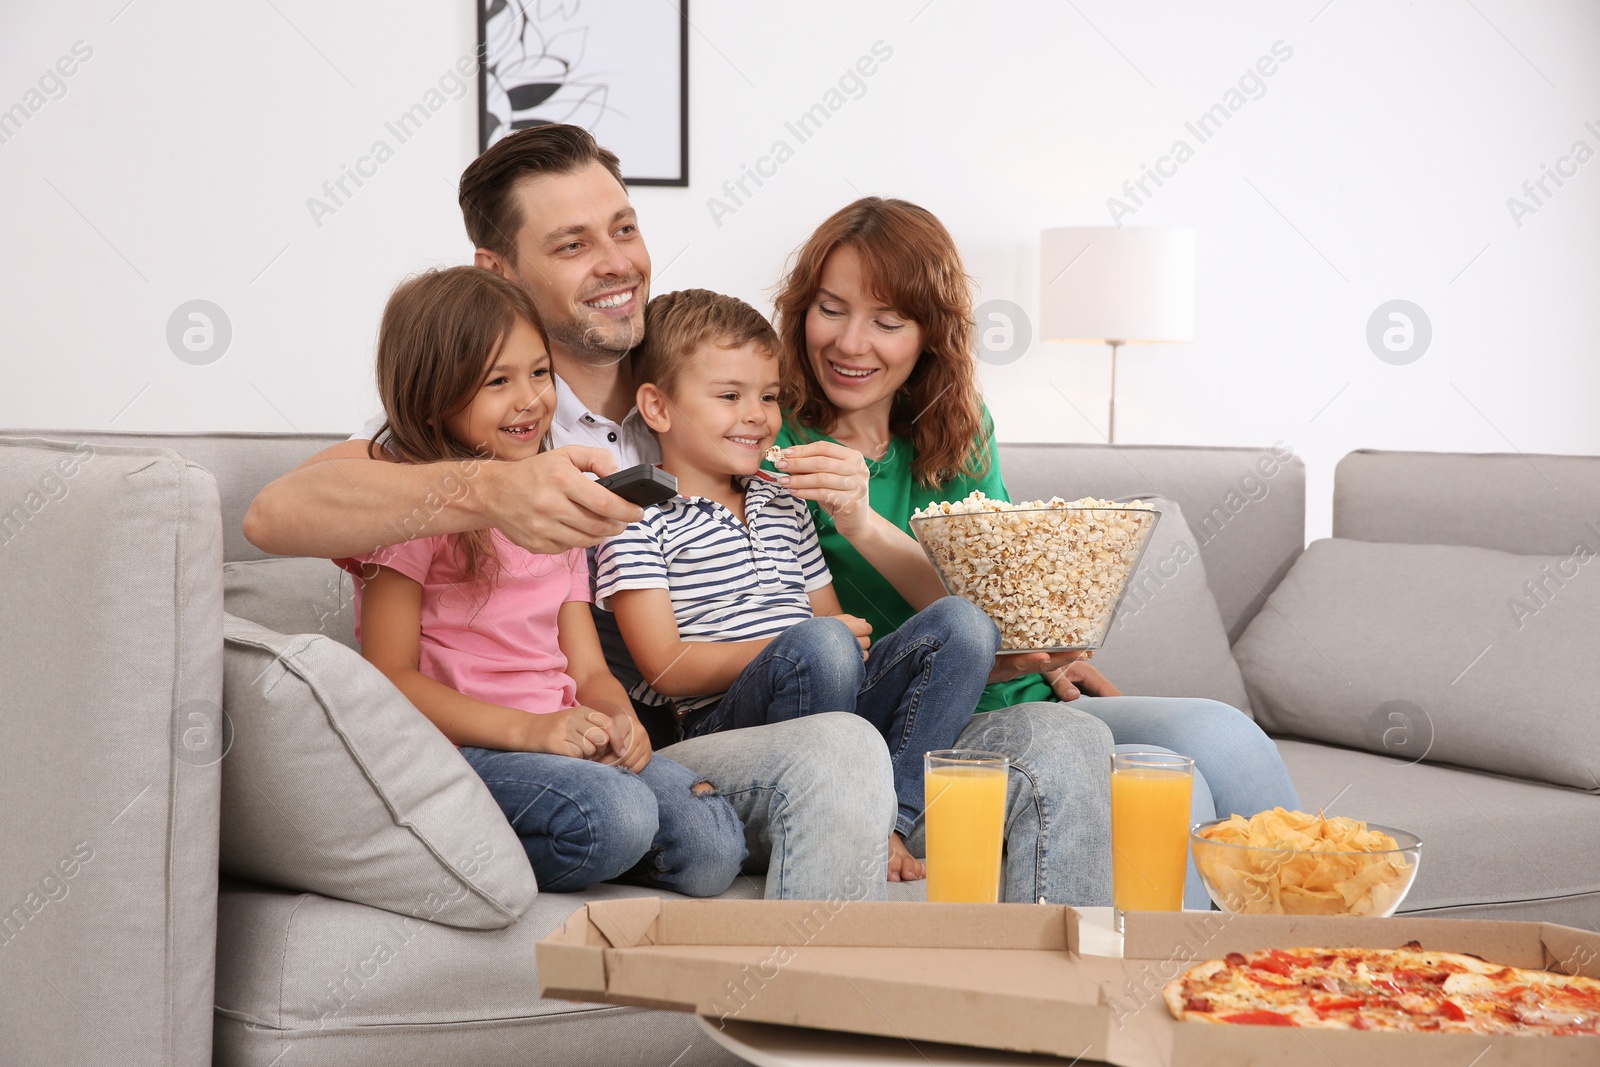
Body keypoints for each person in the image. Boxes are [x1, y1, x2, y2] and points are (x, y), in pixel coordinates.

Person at [243, 126, 897, 902]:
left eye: (624, 228)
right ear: (499, 271)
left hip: (667, 728)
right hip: (599, 739)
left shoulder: (707, 384)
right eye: (573, 244)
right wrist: (491, 494)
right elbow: (273, 514)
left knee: (1036, 735)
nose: (617, 261)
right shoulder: (482, 430)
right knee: (817, 756)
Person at [765, 197, 1303, 905]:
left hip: (1020, 685)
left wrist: (1050, 642)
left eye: (887, 321)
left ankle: (1302, 968)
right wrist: (860, 521)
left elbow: (998, 595)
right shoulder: (770, 431)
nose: (850, 342)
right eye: (830, 309)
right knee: (1175, 783)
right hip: (921, 717)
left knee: (1223, 736)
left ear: (928, 334)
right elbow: (908, 631)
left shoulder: (956, 425)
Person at [343, 265, 745, 895]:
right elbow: (388, 681)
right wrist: (531, 732)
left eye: (538, 373)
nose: (529, 399)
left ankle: (600, 833)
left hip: (559, 737)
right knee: (618, 815)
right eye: (497, 382)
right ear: (433, 396)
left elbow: (585, 669)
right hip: (463, 749)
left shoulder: (558, 505)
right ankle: (447, 852)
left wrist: (616, 717)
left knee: (713, 845)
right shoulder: (417, 511)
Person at [594, 289, 1001, 881]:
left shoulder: (784, 502)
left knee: (965, 623)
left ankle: (887, 820)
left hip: (831, 698)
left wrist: (831, 640)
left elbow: (839, 635)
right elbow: (665, 668)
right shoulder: (634, 514)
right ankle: (842, 804)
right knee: (820, 643)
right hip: (722, 724)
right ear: (657, 408)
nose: (758, 416)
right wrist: (805, 644)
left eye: (769, 397)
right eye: (730, 397)